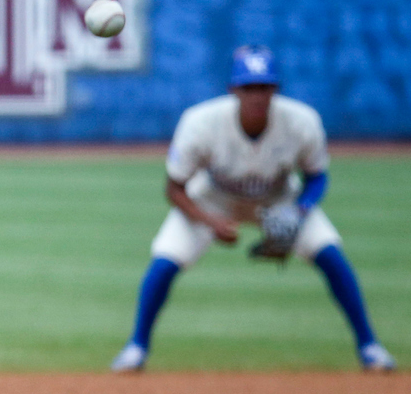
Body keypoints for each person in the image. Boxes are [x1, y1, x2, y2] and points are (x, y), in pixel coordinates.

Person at [110, 45, 396, 373]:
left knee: (329, 254)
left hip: (279, 199)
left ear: (275, 89)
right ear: (234, 90)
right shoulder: (200, 123)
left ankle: (369, 346)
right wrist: (209, 222)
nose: (257, 96)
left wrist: (298, 212)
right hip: (212, 198)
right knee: (164, 262)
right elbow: (173, 188)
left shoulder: (302, 122)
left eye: (264, 87)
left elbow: (317, 177)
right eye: (249, 88)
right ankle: (136, 347)